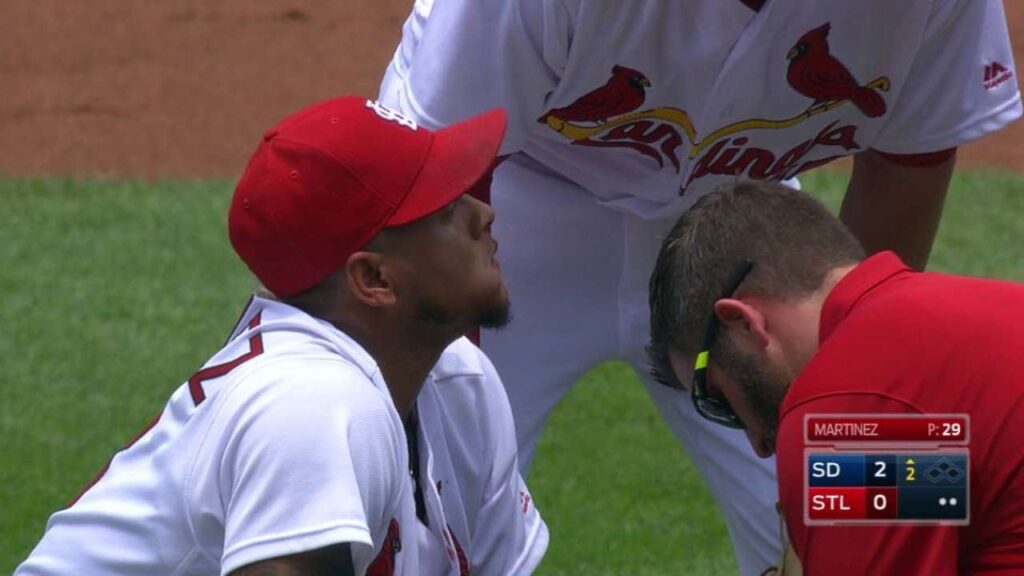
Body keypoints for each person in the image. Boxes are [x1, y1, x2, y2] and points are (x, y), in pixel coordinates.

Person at [377, 1, 1022, 572]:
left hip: (733, 216)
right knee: (431, 518)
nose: (768, 443)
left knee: (875, 486)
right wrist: (430, 416)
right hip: (506, 208)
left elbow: (911, 164)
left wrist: (834, 461)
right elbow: (438, 175)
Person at [14, 96, 548, 575]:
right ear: (375, 279)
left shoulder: (458, 382)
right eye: (447, 211)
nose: (485, 212)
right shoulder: (311, 404)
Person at [647, 179, 1024, 574]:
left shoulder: (847, 411)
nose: (758, 443)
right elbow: (946, 485)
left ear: (744, 323)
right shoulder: (954, 329)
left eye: (719, 401)